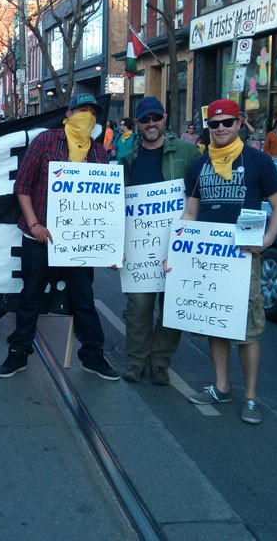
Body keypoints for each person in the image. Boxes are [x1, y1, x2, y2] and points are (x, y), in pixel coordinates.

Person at [0, 93, 119, 380]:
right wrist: (34, 224)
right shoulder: (45, 142)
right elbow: (22, 186)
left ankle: (92, 354)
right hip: (40, 237)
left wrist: (110, 246)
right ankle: (18, 352)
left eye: (92, 111)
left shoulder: (99, 154)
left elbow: (106, 206)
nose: (87, 115)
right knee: (30, 296)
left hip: (78, 242)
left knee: (84, 300)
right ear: (68, 114)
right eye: (81, 110)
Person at [182, 98, 277, 424]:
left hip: (245, 258)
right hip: (209, 258)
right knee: (216, 322)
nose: (221, 128)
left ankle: (251, 397)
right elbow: (190, 213)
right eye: (215, 124)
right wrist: (179, 253)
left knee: (248, 330)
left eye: (227, 122)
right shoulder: (199, 166)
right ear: (208, 129)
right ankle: (221, 386)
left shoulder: (258, 161)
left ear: (239, 123)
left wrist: (268, 240)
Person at [119, 97, 200, 384]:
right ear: (138, 124)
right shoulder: (127, 161)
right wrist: (115, 246)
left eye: (156, 118)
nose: (151, 123)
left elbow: (200, 194)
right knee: (138, 308)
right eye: (145, 119)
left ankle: (160, 363)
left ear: (164, 118)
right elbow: (117, 208)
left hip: (177, 246)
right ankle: (136, 361)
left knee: (172, 308)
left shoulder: (188, 153)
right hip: (140, 250)